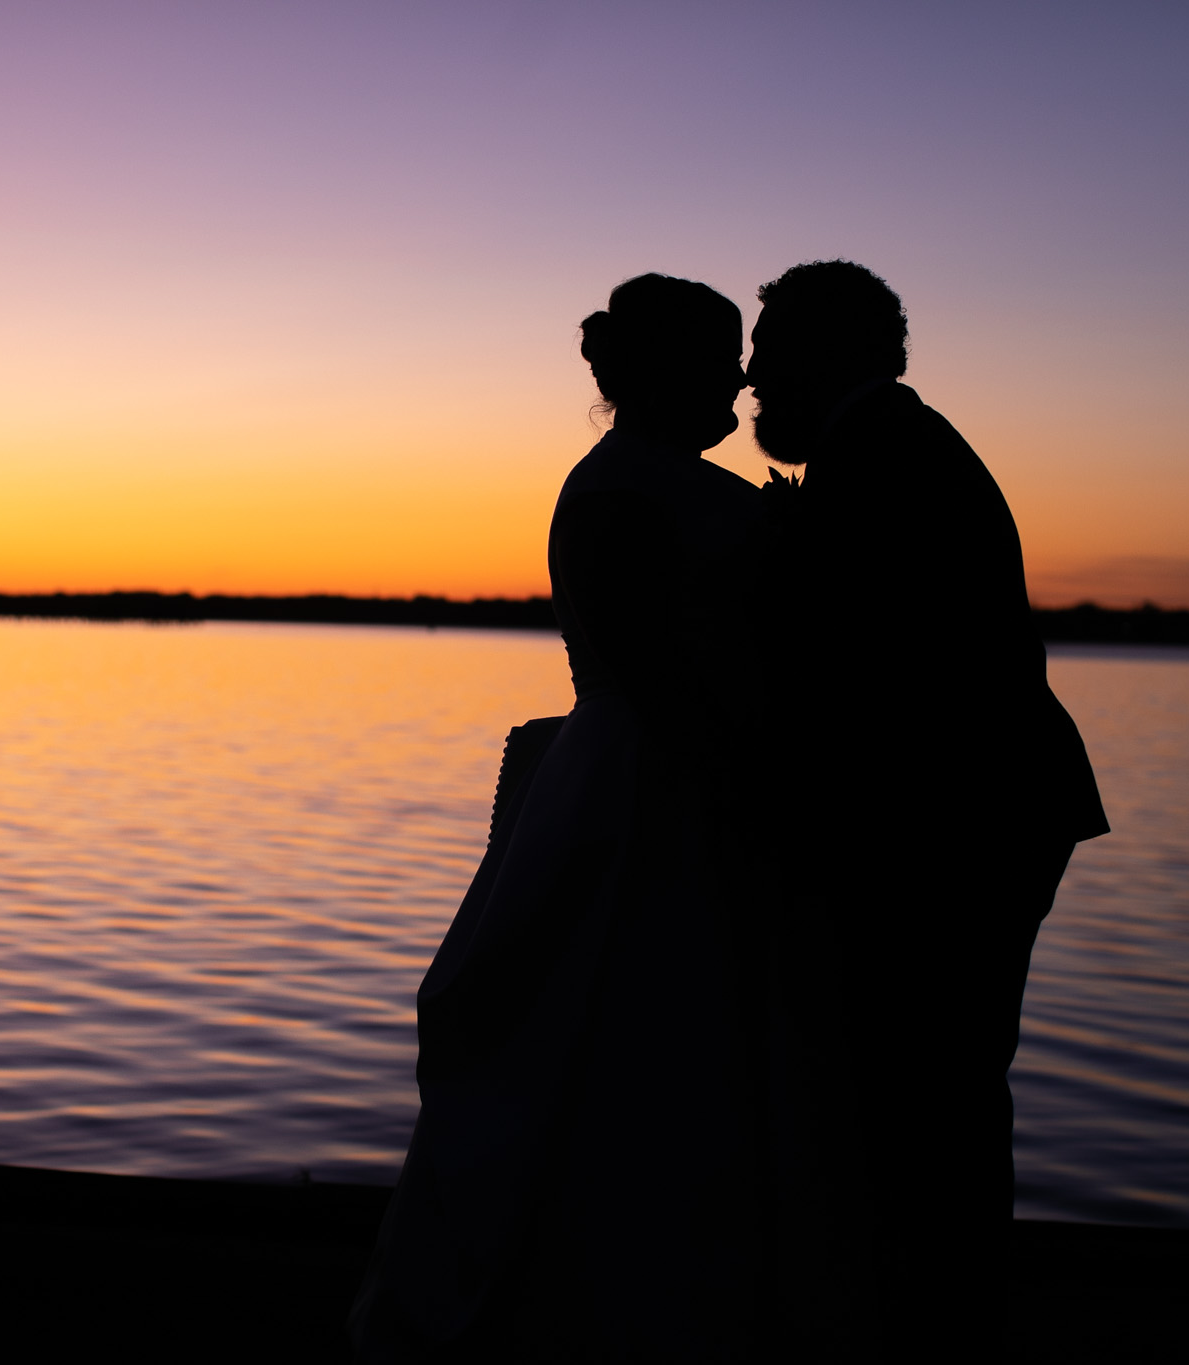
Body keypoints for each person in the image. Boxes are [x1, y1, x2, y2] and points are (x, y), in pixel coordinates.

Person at [349, 274, 766, 1360]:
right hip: (649, 794)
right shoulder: (627, 488)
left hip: (656, 778)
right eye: (723, 355)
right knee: (613, 1043)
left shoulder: (663, 479)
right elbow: (659, 668)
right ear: (669, 368)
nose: (742, 376)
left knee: (653, 1055)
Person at [745, 260, 1108, 1359]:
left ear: (823, 352)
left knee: (927, 1095)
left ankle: (933, 1326)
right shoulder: (889, 446)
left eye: (765, 351)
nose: (751, 375)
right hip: (979, 814)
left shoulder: (884, 458)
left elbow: (871, 674)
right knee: (930, 1092)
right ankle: (928, 1312)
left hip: (955, 829)